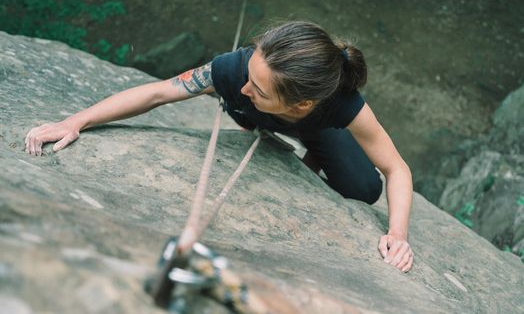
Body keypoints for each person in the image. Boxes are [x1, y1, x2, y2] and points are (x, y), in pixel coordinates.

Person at [25, 21, 414, 273]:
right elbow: (159, 92)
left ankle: (305, 149)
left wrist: (397, 233)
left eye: (257, 87)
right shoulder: (233, 72)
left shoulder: (341, 105)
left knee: (365, 189)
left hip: (316, 131)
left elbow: (397, 169)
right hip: (259, 116)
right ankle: (264, 119)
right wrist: (76, 121)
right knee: (242, 100)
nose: (243, 86)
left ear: (303, 103)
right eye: (249, 74)